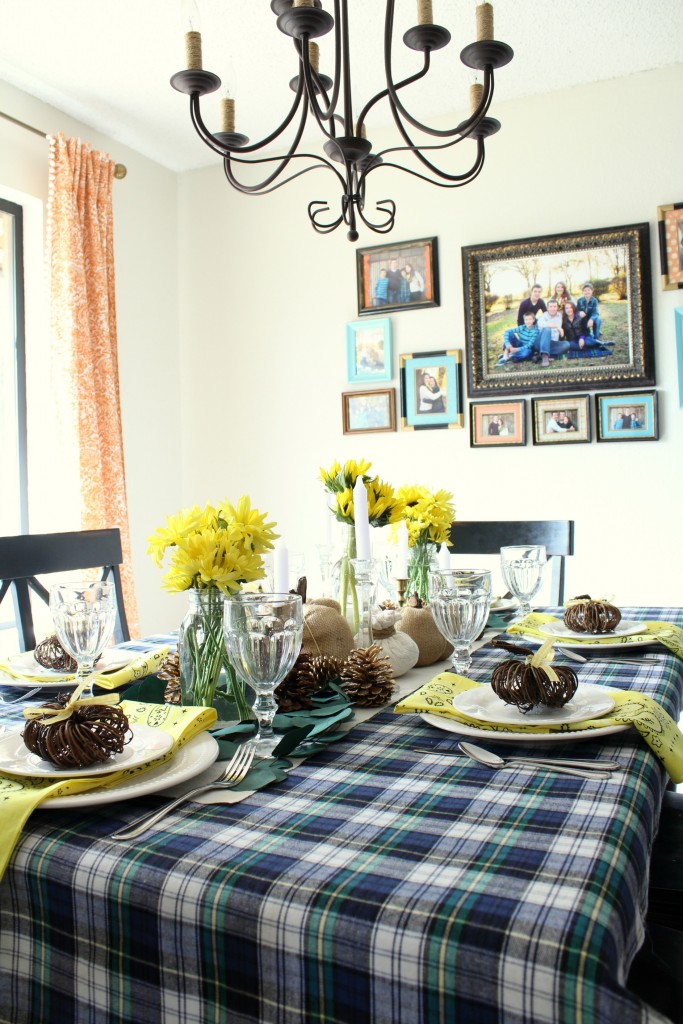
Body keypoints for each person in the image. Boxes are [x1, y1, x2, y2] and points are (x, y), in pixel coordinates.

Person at [537, 299, 569, 366]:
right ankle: (545, 356)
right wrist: (558, 327)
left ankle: (541, 354)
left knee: (566, 345)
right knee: (547, 329)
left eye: (554, 306)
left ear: (557, 307)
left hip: (551, 343)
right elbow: (543, 325)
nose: (553, 309)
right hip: (540, 343)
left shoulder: (559, 316)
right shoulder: (543, 316)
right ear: (547, 308)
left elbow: (556, 335)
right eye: (550, 307)